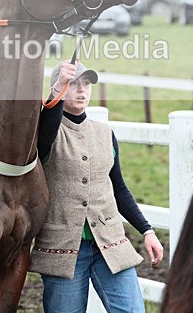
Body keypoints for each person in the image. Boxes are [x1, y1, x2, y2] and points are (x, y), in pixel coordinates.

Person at [31, 61, 164, 313]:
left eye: (86, 84)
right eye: (73, 84)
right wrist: (57, 90)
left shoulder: (105, 133)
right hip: (61, 249)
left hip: (111, 243)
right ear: (60, 88)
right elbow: (47, 129)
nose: (82, 90)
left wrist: (147, 230)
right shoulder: (44, 134)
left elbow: (119, 188)